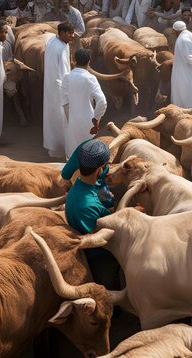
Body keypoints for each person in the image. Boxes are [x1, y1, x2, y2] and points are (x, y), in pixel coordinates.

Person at [63, 139, 120, 290]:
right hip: (98, 255)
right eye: (105, 166)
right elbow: (98, 237)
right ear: (99, 170)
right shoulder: (86, 206)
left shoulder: (82, 187)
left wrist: (105, 197)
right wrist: (131, 213)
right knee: (108, 286)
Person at [61, 48, 107, 159]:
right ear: (89, 61)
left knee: (72, 155)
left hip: (72, 121)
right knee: (89, 155)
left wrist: (70, 120)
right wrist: (96, 120)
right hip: (89, 122)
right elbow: (102, 101)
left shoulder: (66, 77)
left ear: (74, 60)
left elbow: (65, 102)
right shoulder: (90, 78)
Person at [43, 21, 74, 158]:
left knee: (54, 116)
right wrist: (67, 88)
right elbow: (62, 72)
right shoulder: (59, 48)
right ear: (61, 33)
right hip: (60, 87)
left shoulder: (54, 42)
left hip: (53, 86)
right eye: (69, 33)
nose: (72, 36)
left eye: (73, 33)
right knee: (61, 118)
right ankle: (61, 148)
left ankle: (54, 147)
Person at [171, 21, 192, 109]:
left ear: (176, 31)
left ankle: (188, 110)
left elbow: (189, 57)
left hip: (185, 71)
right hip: (184, 70)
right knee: (184, 89)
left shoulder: (183, 39)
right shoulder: (184, 37)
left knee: (185, 90)